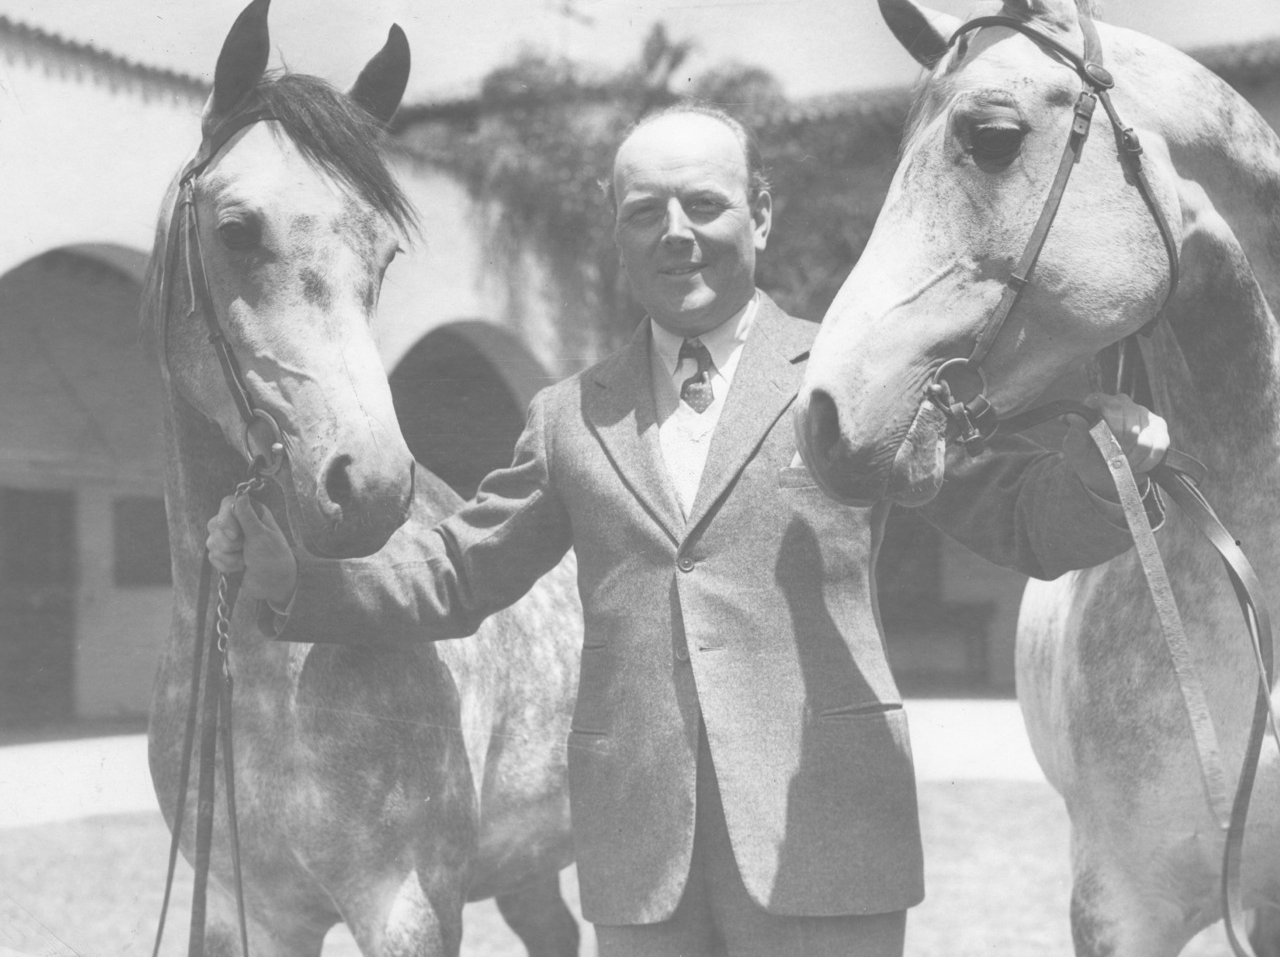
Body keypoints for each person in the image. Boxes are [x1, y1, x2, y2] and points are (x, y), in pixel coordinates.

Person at [208, 102, 1168, 956]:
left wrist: (1096, 483)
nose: (676, 233)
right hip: (639, 855)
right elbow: (459, 572)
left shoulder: (851, 381)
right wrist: (293, 582)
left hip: (824, 833)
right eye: (644, 212)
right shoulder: (568, 416)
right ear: (617, 232)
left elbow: (1011, 517)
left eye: (704, 205)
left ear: (759, 213)